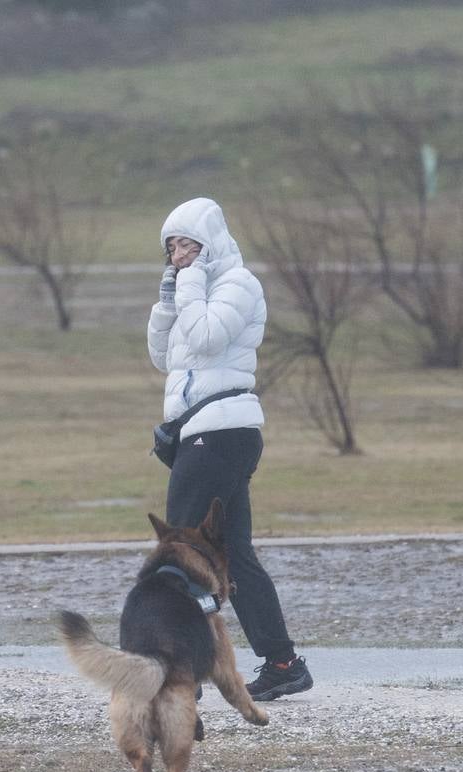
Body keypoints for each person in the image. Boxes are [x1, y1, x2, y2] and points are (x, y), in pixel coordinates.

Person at [148, 197, 313, 701]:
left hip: (222, 432)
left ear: (210, 243)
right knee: (234, 557)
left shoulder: (239, 285)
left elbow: (205, 337)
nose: (179, 254)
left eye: (188, 244)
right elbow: (164, 356)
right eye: (172, 246)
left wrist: (192, 283)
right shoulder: (191, 290)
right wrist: (167, 299)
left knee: (179, 548)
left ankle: (181, 670)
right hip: (203, 430)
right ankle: (283, 663)